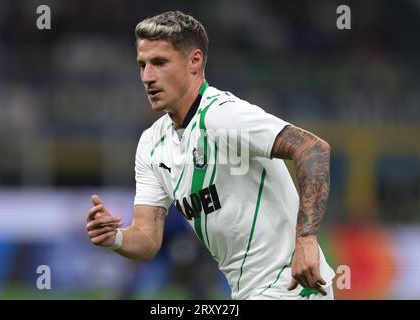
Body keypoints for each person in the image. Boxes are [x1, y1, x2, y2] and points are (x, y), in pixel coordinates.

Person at [86, 10, 335, 300]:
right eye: (142, 65)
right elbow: (147, 238)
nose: (147, 77)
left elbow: (313, 149)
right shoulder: (152, 144)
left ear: (195, 62)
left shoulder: (223, 115)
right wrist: (114, 238)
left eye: (159, 63)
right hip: (248, 292)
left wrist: (306, 239)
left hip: (292, 286)